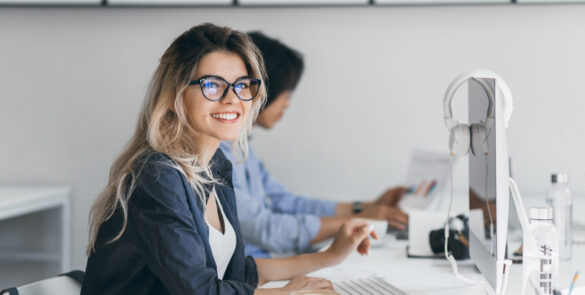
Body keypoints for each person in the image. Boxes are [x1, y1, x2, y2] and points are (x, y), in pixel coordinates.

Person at [81, 23, 378, 295]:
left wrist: (330, 256)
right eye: (212, 85)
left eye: (242, 85)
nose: (233, 98)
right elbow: (201, 291)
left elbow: (238, 273)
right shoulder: (158, 176)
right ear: (175, 94)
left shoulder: (215, 167)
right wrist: (287, 293)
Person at [219, 32, 409, 258]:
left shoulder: (242, 148)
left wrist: (365, 208)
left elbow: (287, 202)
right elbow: (266, 228)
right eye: (286, 92)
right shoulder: (216, 154)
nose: (288, 103)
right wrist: (359, 220)